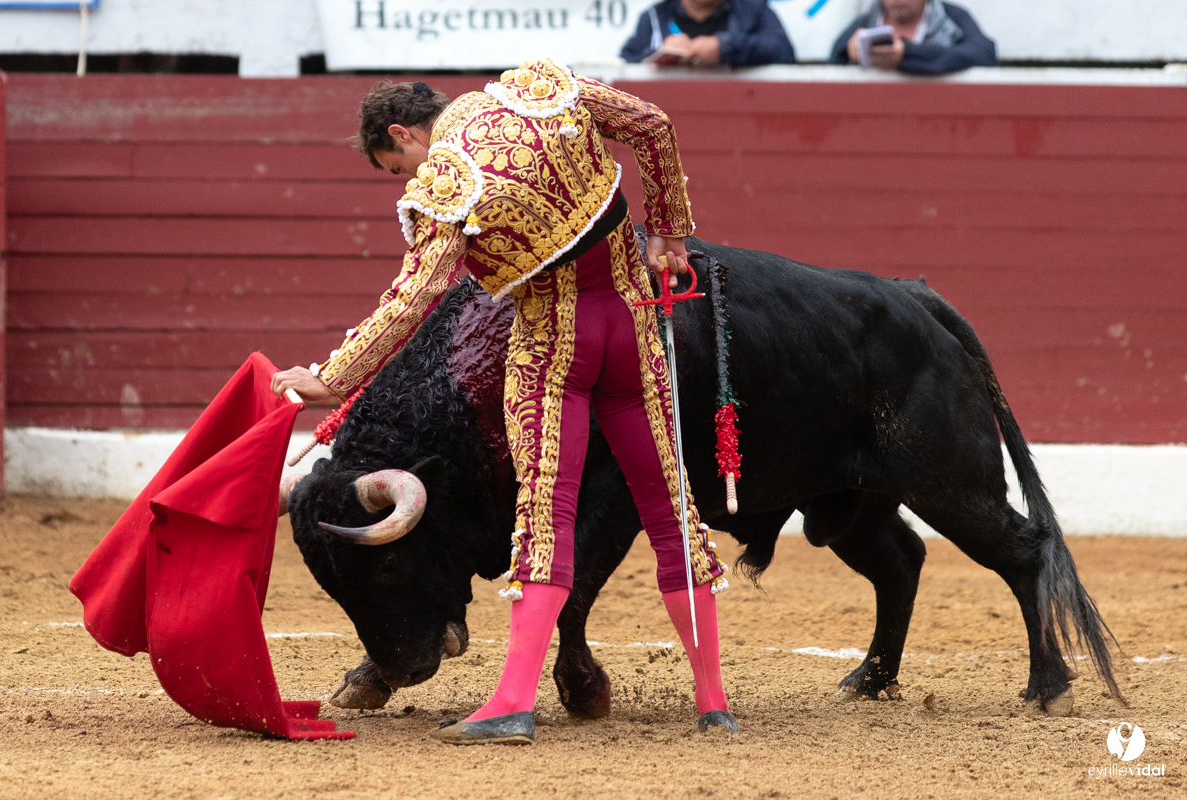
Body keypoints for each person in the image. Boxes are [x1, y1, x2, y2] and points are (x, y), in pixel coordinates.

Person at [269, 60, 736, 744]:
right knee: (671, 511)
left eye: (396, 166)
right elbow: (653, 125)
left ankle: (513, 702)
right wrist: (668, 227)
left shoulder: (444, 183)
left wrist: (332, 379)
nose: (407, 179)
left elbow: (414, 298)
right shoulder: (540, 88)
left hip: (555, 347)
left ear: (404, 134)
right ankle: (713, 700)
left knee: (546, 516)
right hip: (633, 329)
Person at [828, 0, 997, 74]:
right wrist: (851, 56)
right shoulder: (863, 23)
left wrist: (906, 55)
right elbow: (831, 69)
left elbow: (985, 54)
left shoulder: (953, 18)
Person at [621, 0, 795, 67]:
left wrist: (725, 47)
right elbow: (625, 63)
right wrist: (659, 54)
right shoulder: (654, 17)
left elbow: (783, 51)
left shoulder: (752, 10)